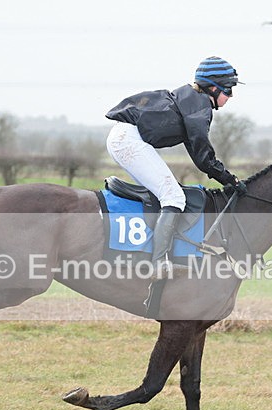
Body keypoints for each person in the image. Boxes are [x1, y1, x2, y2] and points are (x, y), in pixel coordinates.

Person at [105, 56, 246, 278]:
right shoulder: (199, 107)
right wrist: (230, 179)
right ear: (212, 88)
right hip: (128, 139)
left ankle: (148, 250)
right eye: (228, 90)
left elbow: (197, 153)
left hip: (123, 136)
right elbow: (204, 156)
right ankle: (159, 263)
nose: (230, 96)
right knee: (173, 197)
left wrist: (224, 176)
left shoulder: (191, 103)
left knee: (166, 193)